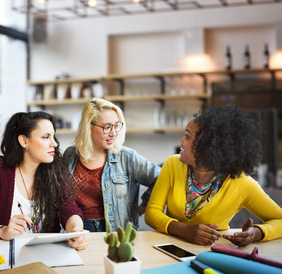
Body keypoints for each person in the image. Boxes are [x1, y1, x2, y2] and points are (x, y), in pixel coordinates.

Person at [145, 104, 282, 246]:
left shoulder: (241, 183)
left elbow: (280, 220)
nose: (181, 141)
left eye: (187, 136)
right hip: (169, 249)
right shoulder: (172, 164)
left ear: (208, 147)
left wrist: (255, 233)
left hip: (212, 252)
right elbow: (152, 212)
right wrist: (183, 230)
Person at [0, 111, 89, 250]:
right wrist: (2, 231)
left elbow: (69, 209)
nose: (54, 144)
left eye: (53, 137)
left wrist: (76, 229)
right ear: (24, 141)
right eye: (46, 137)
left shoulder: (56, 170)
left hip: (46, 253)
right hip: (5, 252)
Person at [62, 98, 161, 232]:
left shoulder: (127, 157)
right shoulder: (70, 155)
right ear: (88, 127)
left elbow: (161, 179)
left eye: (116, 125)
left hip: (116, 232)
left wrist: (141, 208)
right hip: (77, 229)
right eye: (107, 127)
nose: (114, 133)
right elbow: (63, 196)